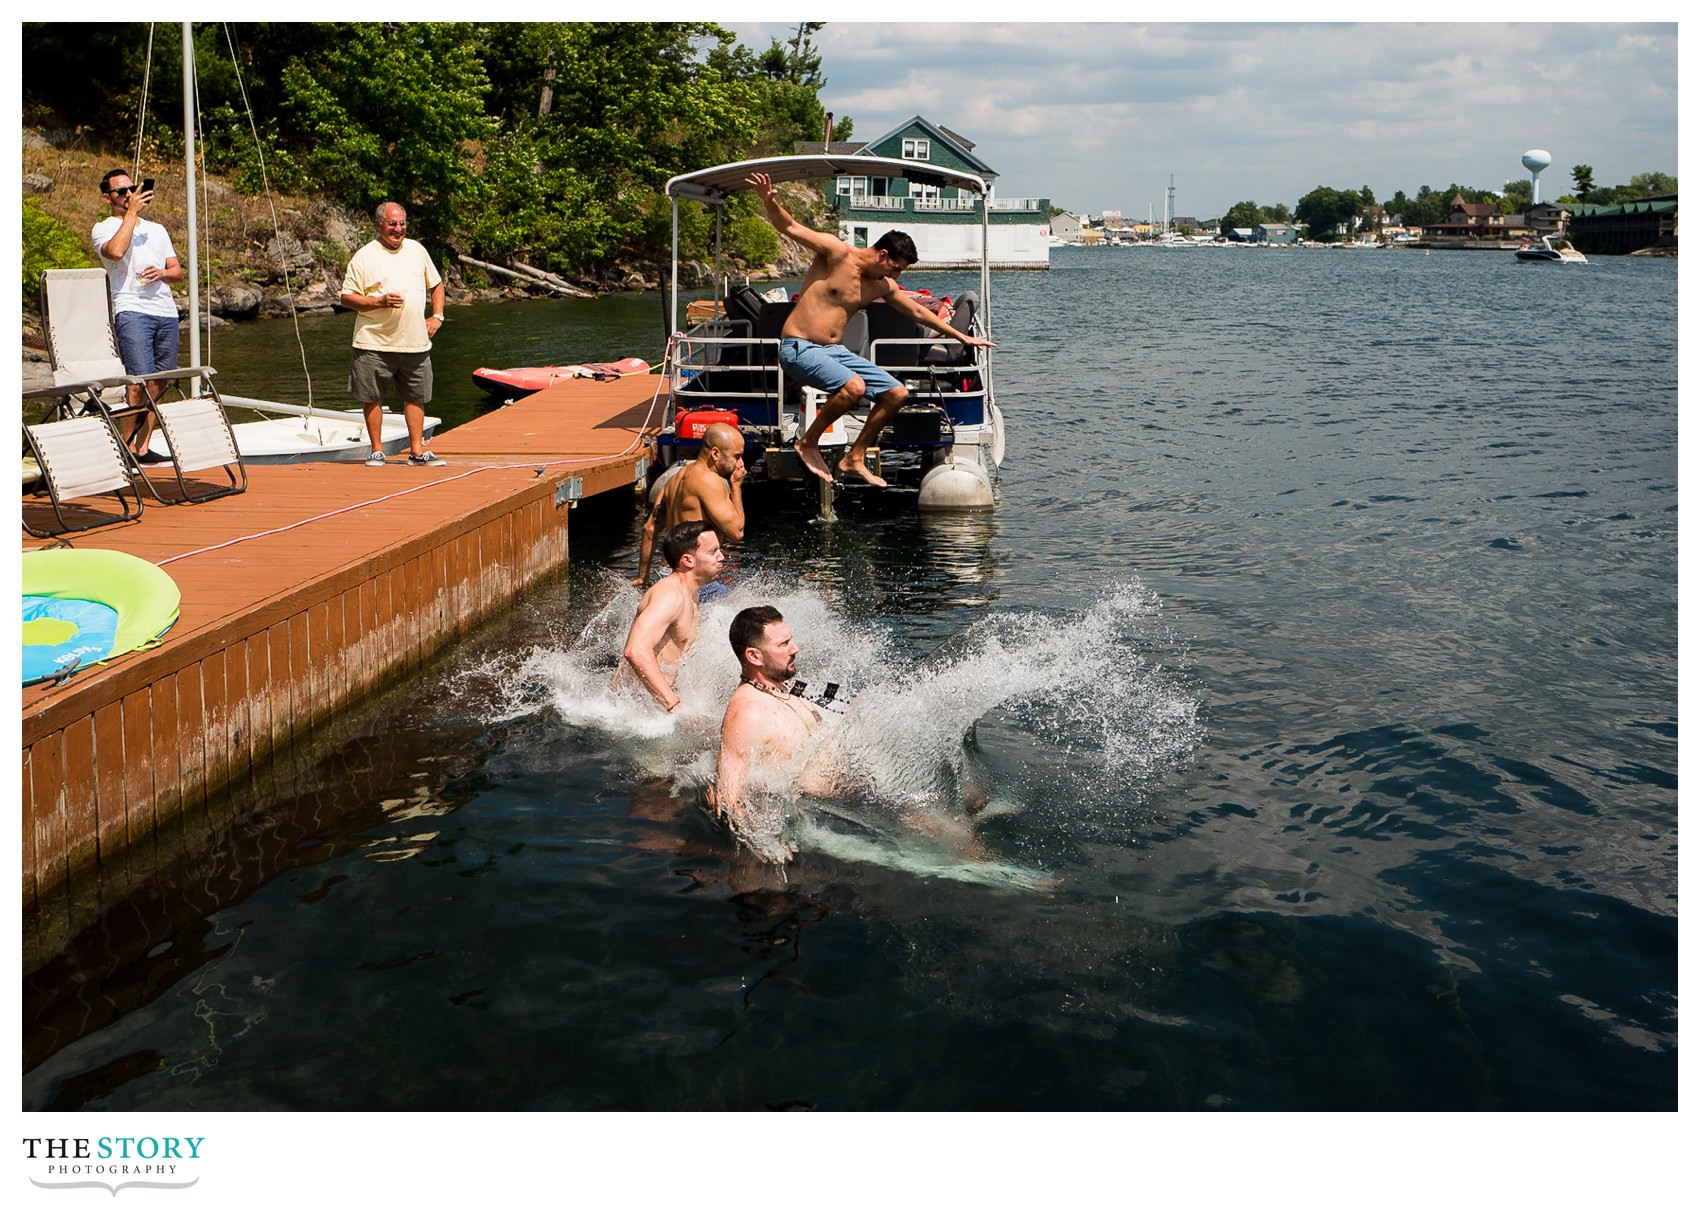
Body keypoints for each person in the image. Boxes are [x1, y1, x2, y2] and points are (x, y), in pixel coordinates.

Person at [746, 171, 994, 487]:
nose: (897, 276)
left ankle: (855, 456)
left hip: (834, 352)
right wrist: (770, 201)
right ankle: (808, 442)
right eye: (896, 268)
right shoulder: (836, 254)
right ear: (883, 254)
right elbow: (791, 226)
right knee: (854, 388)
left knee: (896, 393)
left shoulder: (880, 285)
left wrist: (959, 335)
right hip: (799, 347)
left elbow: (917, 311)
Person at [709, 606, 828, 863]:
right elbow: (727, 797)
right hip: (821, 816)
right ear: (754, 656)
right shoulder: (748, 712)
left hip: (846, 801)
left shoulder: (781, 688)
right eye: (783, 644)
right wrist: (763, 843)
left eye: (791, 640)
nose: (794, 649)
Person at [339, 202, 447, 468]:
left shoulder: (417, 250)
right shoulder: (364, 256)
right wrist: (379, 301)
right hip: (374, 341)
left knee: (416, 396)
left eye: (402, 224)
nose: (398, 229)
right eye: (392, 224)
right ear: (379, 225)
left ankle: (417, 450)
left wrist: (437, 316)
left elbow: (437, 285)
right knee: (372, 396)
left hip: (415, 341)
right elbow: (346, 297)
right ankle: (377, 450)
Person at [91, 168, 186, 459]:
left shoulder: (157, 230)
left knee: (160, 382)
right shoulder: (103, 228)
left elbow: (178, 271)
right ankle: (126, 447)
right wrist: (131, 214)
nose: (129, 194)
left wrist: (162, 273)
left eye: (131, 188)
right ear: (108, 198)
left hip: (165, 311)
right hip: (132, 309)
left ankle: (143, 448)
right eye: (121, 191)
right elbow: (116, 253)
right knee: (137, 381)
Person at [616, 521, 725, 713]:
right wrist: (674, 705)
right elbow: (635, 650)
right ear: (688, 560)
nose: (721, 557)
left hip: (652, 703)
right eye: (713, 552)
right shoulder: (670, 595)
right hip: (630, 709)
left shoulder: (691, 592)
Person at [631, 421, 746, 587]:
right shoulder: (709, 480)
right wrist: (736, 487)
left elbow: (649, 529)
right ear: (715, 453)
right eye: (737, 456)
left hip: (667, 573)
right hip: (692, 576)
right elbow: (737, 533)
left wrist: (643, 577)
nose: (740, 463)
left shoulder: (673, 480)